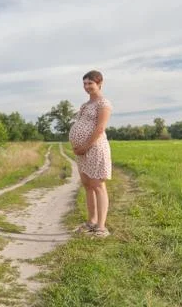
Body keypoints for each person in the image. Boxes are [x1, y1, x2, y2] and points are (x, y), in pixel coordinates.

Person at [69, 70, 112, 238]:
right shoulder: (85, 105)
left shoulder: (104, 104)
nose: (87, 87)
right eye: (84, 84)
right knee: (87, 186)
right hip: (82, 151)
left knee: (98, 186)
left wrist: (85, 146)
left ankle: (101, 228)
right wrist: (77, 145)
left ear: (99, 83)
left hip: (95, 148)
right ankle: (91, 222)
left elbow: (100, 129)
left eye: (90, 83)